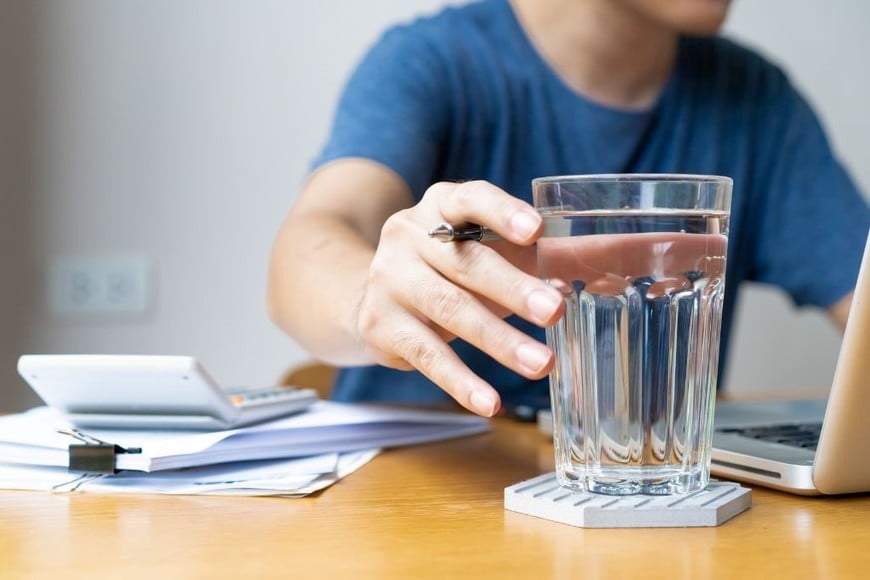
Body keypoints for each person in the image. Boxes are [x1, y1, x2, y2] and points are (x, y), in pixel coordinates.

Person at [268, 0, 870, 418]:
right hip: (414, 505)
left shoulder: (754, 99)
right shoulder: (430, 63)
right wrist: (369, 303)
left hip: (640, 509)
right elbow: (309, 247)